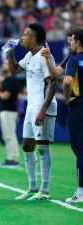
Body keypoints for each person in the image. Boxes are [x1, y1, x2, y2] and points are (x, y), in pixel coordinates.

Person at [7, 23, 57, 200]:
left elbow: (53, 83)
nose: (22, 37)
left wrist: (43, 109)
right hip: (31, 107)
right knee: (28, 146)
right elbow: (13, 70)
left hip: (42, 106)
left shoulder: (44, 56)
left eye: (25, 34)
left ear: (33, 38)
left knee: (43, 147)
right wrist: (11, 52)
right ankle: (32, 187)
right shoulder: (29, 55)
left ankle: (44, 190)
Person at [63, 29, 83, 203]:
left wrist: (67, 97)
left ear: (78, 42)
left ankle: (81, 193)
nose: (69, 43)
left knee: (80, 149)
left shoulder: (74, 59)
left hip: (78, 107)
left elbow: (67, 80)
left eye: (71, 41)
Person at [0, 60, 20, 167]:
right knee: (6, 136)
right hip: (3, 110)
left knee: (10, 135)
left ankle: (14, 158)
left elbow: (5, 96)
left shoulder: (12, 79)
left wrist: (0, 91)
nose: (2, 65)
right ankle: (10, 157)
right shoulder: (5, 80)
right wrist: (0, 81)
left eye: (5, 64)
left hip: (9, 111)